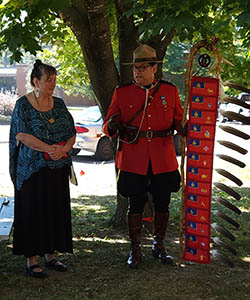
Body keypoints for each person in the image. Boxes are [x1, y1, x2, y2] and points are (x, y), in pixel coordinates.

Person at [103, 44, 184, 268]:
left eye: (142, 67)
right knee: (135, 203)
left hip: (162, 156)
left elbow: (179, 120)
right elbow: (106, 127)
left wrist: (184, 127)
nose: (137, 72)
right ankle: (135, 249)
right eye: (135, 68)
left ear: (154, 68)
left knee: (163, 202)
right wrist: (112, 125)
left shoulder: (170, 91)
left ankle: (159, 246)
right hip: (133, 157)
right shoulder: (123, 92)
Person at [9, 59, 76, 278]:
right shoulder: (23, 105)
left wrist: (64, 148)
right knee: (34, 212)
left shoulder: (59, 104)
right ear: (36, 81)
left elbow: (71, 131)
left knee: (54, 211)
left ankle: (51, 256)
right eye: (49, 80)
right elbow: (22, 135)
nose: (52, 84)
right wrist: (49, 148)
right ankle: (32, 260)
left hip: (57, 168)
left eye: (55, 80)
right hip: (32, 170)